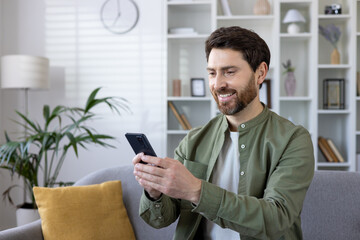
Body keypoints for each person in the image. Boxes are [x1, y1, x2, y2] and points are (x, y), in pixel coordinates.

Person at [132, 26, 314, 240]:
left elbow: (276, 218)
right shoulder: (194, 140)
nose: (218, 84)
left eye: (229, 72)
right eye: (212, 73)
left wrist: (197, 191)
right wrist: (154, 191)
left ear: (260, 73)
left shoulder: (293, 140)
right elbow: (160, 219)